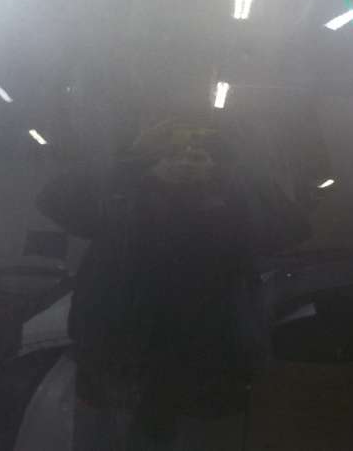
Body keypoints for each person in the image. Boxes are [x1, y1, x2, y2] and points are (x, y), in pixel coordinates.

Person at [37, 115, 310, 450]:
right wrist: (133, 159)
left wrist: (230, 170)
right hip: (118, 370)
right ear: (153, 155)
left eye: (201, 146)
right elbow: (53, 200)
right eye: (173, 147)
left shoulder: (233, 207)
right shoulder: (123, 199)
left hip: (207, 376)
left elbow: (292, 227)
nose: (187, 156)